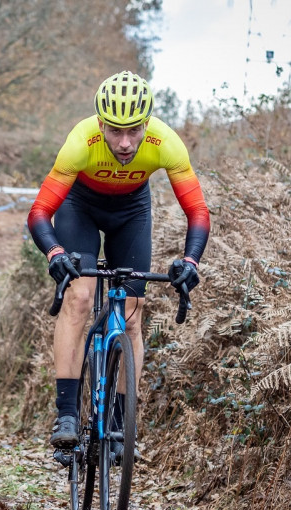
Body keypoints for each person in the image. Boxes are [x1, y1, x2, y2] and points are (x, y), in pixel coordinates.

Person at [26, 70, 210, 466]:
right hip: (81, 209)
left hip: (132, 212)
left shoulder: (166, 143)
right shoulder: (80, 142)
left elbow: (197, 212)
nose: (125, 143)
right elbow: (40, 213)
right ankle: (67, 416)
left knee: (131, 315)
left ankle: (119, 423)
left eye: (133, 131)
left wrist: (191, 260)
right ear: (100, 124)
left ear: (147, 124)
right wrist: (55, 253)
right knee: (79, 297)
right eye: (114, 131)